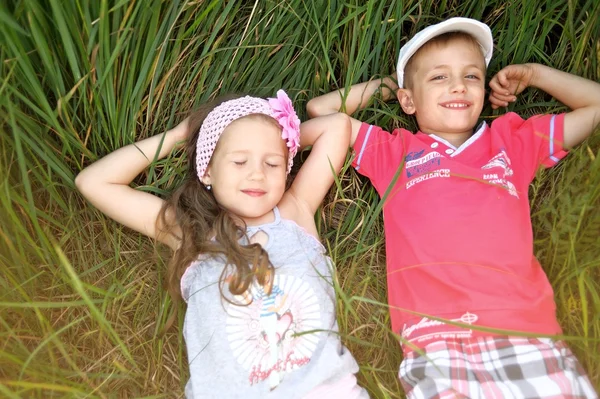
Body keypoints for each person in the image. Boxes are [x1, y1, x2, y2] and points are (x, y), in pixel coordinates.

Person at [307, 17, 600, 398]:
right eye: (439, 78)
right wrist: (389, 87)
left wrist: (536, 74)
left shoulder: (513, 141)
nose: (458, 85)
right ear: (408, 102)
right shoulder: (393, 152)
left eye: (472, 76)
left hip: (526, 328)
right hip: (435, 338)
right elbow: (322, 110)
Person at [75, 90, 369, 398]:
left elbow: (336, 126)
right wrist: (179, 137)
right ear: (208, 170)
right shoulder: (192, 233)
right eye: (240, 161)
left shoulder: (296, 210)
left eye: (272, 163)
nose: (257, 173)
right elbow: (94, 182)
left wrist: (286, 136)